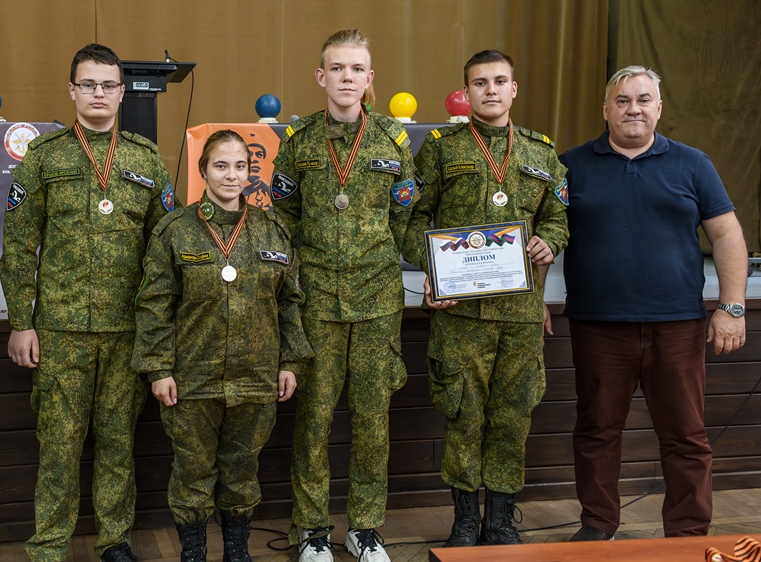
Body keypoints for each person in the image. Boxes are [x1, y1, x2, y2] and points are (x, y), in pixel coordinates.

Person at [0, 42, 174, 562]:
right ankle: (49, 547)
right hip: (60, 331)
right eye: (89, 84)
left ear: (121, 93)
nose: (99, 93)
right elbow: (18, 243)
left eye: (108, 85)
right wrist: (21, 321)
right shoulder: (44, 157)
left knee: (118, 444)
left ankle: (115, 542)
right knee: (59, 446)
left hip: (126, 331)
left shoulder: (146, 159)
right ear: (73, 90)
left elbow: (165, 246)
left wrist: (160, 328)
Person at [561, 66, 748, 541]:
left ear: (659, 108)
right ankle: (598, 525)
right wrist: (534, 299)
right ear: (606, 109)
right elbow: (545, 235)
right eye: (623, 101)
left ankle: (687, 534)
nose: (634, 109)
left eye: (644, 100)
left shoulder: (693, 163)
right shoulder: (571, 166)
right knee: (596, 431)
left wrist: (732, 306)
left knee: (685, 435)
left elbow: (727, 235)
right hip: (599, 324)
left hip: (677, 324)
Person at [409, 49, 569, 547]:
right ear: (466, 92)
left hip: (519, 315)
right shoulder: (440, 149)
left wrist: (549, 240)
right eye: (480, 83)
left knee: (512, 415)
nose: (491, 90)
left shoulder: (542, 153)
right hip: (461, 314)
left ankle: (499, 521)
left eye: (500, 81)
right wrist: (433, 268)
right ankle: (463, 520)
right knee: (463, 414)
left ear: (513, 89)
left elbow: (558, 217)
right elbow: (412, 218)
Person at [271, 29, 417, 562]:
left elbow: (405, 219)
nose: (347, 78)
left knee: (373, 419)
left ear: (369, 78)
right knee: (313, 420)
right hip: (316, 302)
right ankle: (311, 530)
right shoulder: (299, 140)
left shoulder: (393, 140)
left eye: (356, 69)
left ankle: (365, 528)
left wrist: (441, 273)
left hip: (377, 301)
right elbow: (283, 220)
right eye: (337, 68)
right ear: (321, 76)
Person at [133, 130, 312, 562]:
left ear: (250, 172)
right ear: (203, 170)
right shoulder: (175, 230)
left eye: (240, 166)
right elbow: (155, 304)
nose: (231, 175)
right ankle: (193, 554)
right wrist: (159, 369)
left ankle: (237, 552)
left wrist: (290, 361)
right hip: (193, 378)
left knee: (242, 471)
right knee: (191, 473)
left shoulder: (272, 230)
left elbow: (290, 301)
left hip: (256, 377)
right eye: (220, 165)